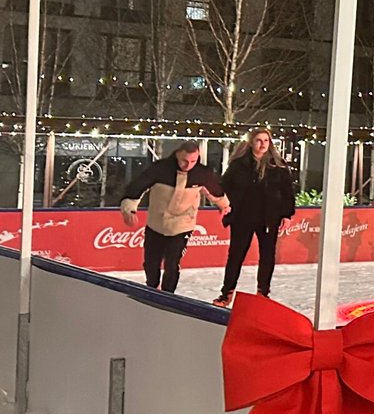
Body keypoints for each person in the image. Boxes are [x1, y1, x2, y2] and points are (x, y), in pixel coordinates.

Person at [120, 141, 230, 295]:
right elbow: (137, 186)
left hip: (183, 225)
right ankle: (151, 288)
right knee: (151, 262)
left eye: (193, 161)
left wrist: (224, 206)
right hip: (156, 223)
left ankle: (168, 295)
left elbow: (215, 191)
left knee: (172, 263)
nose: (188, 165)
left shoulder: (202, 173)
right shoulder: (161, 168)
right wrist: (129, 209)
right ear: (178, 154)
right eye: (185, 160)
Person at [215, 128, 298, 307]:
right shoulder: (239, 164)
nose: (262, 144)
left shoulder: (278, 166)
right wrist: (224, 205)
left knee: (267, 256)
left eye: (266, 140)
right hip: (242, 217)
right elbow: (224, 186)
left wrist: (287, 214)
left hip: (268, 217)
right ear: (251, 142)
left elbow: (287, 191)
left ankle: (263, 293)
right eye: (259, 140)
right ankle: (226, 293)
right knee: (236, 255)